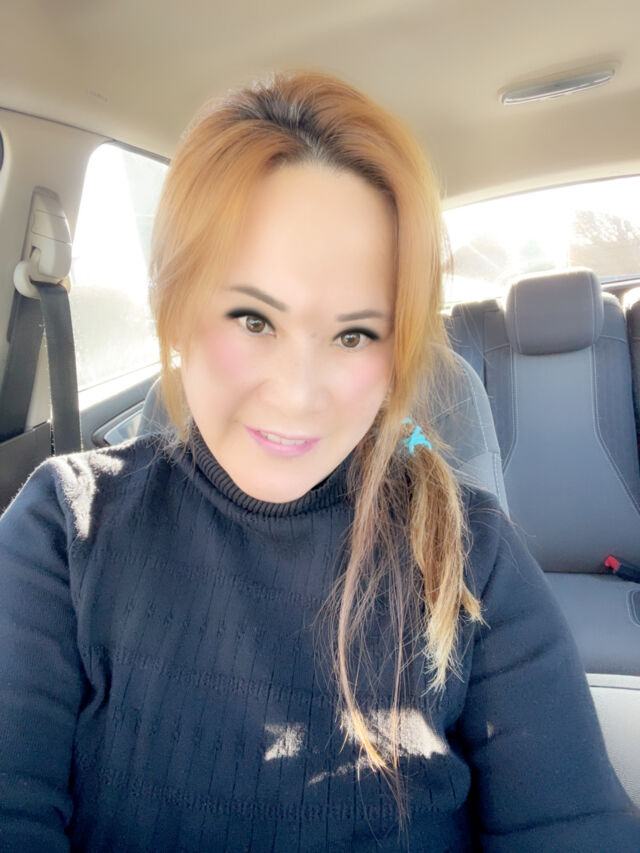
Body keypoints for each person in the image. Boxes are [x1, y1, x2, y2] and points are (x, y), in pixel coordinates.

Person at [0, 68, 638, 853]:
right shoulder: (65, 531)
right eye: (252, 318)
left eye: (354, 334)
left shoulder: (473, 557)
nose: (300, 395)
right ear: (176, 309)